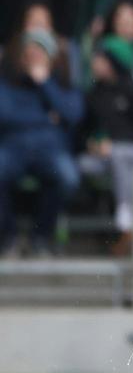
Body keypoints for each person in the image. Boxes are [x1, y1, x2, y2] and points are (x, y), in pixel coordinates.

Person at [0, 30, 84, 257]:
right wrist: (47, 118)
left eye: (40, 53)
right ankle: (9, 237)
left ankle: (41, 237)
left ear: (50, 57)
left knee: (68, 177)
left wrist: (45, 84)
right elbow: (5, 115)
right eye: (30, 53)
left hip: (50, 149)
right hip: (13, 146)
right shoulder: (9, 83)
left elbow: (73, 114)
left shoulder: (62, 83)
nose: (34, 57)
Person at [78, 38, 133, 256]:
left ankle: (125, 218)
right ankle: (124, 226)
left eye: (99, 58)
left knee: (120, 155)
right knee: (80, 164)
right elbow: (83, 130)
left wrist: (115, 143)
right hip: (104, 157)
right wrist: (91, 144)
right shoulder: (95, 94)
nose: (95, 63)